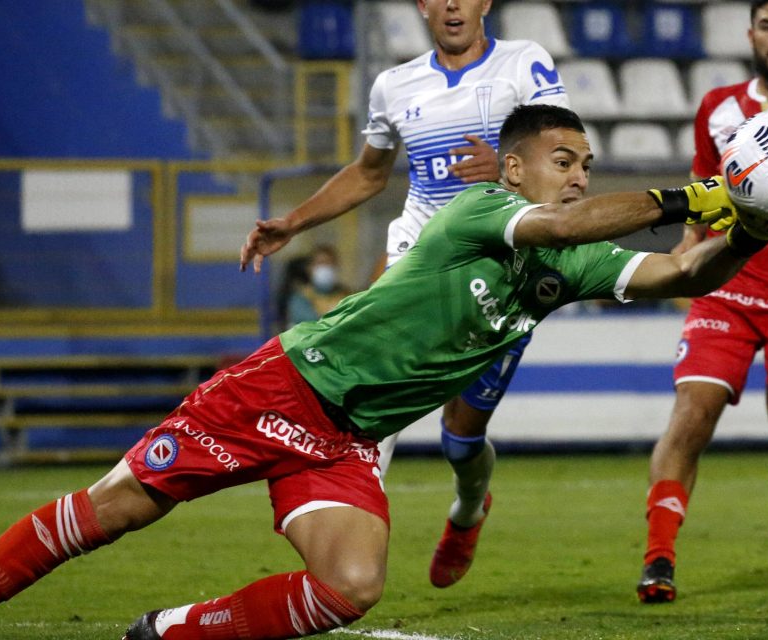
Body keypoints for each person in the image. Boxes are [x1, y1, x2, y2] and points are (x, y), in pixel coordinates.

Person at [0, 105, 768, 640]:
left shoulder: (567, 268)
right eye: (564, 161)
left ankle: (171, 631)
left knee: (349, 590)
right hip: (278, 389)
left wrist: (752, 225)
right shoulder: (481, 210)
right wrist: (688, 195)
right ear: (513, 167)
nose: (578, 177)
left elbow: (679, 272)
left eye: (587, 166)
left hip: (344, 436)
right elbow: (564, 225)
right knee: (109, 514)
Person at [243, 0, 569, 588]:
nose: (451, 4)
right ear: (421, 5)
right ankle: (345, 557)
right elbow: (370, 172)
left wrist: (509, 163)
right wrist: (293, 222)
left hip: (500, 271)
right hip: (417, 262)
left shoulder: (526, 64)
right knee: (374, 406)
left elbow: (564, 151)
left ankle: (469, 511)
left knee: (461, 435)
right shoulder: (394, 85)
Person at [638, 0, 768, 604]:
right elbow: (705, 187)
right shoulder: (717, 106)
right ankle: (658, 559)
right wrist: (687, 252)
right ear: (752, 35)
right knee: (691, 413)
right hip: (727, 289)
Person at [286, 245, 349, 328]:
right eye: (320, 263)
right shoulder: (301, 298)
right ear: (309, 268)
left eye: (329, 263)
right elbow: (311, 323)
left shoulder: (346, 295)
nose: (325, 268)